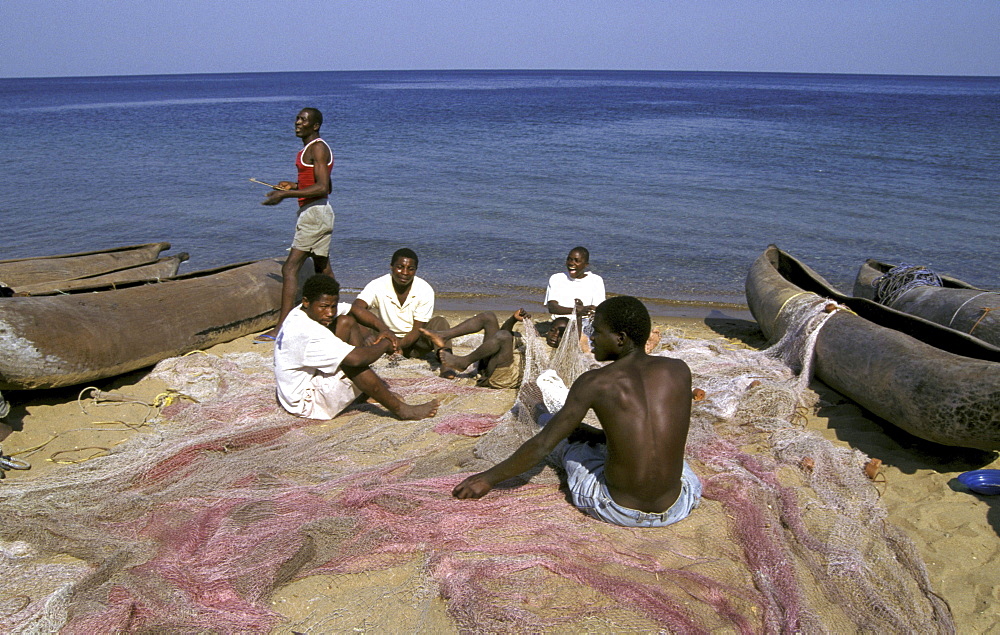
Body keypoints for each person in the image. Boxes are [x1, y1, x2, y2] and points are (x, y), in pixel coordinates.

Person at [453, 296, 701, 528]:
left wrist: (487, 478)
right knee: (665, 448)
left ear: (621, 338)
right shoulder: (679, 370)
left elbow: (543, 445)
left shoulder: (596, 382)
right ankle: (579, 430)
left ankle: (540, 412)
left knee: (571, 446)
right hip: (678, 505)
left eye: (597, 331)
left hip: (618, 509)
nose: (590, 336)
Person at [274, 274, 438, 421]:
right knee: (352, 364)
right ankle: (401, 410)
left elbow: (355, 309)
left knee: (347, 322)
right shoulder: (308, 332)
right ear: (306, 301)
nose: (330, 313)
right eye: (324, 307)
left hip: (296, 388)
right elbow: (358, 359)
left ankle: (364, 394)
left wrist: (385, 331)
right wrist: (386, 343)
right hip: (306, 403)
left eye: (333, 306)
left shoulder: (299, 312)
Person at [257, 107, 335, 342]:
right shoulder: (309, 150)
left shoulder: (317, 148)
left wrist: (285, 196)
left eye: (303, 120)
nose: (297, 122)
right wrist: (292, 186)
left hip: (315, 214)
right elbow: (326, 186)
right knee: (323, 269)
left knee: (289, 268)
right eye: (297, 118)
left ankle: (282, 327)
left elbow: (323, 188)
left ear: (315, 125)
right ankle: (336, 316)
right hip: (317, 211)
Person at [353, 248, 450, 361]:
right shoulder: (378, 285)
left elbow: (417, 329)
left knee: (440, 322)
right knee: (351, 319)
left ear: (416, 270)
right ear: (391, 267)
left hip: (415, 343)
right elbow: (356, 308)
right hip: (384, 338)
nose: (405, 272)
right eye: (400, 267)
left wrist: (398, 346)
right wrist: (366, 334)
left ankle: (446, 360)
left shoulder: (424, 289)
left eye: (410, 269)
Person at [420, 309, 531, 389]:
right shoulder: (538, 340)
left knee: (504, 337)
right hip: (492, 364)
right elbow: (506, 334)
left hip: (504, 377)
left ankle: (464, 361)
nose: (549, 335)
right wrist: (513, 319)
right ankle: (444, 335)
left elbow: (504, 337)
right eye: (549, 332)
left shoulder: (545, 350)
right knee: (489, 317)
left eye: (550, 331)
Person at [544, 246, 606, 323]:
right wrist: (577, 310)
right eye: (569, 259)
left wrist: (584, 312)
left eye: (577, 261)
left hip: (585, 322)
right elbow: (552, 307)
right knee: (561, 324)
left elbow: (597, 309)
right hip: (563, 320)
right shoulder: (557, 278)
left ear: (586, 264)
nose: (571, 263)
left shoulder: (596, 280)